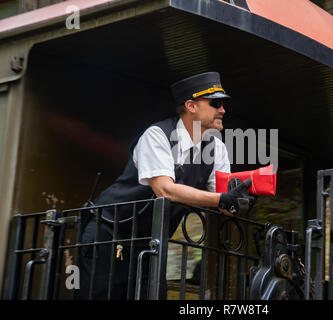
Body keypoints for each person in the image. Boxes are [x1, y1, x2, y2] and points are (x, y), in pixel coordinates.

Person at [75, 72, 254, 300]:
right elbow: (165, 190)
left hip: (151, 242)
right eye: (216, 103)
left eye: (223, 104)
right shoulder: (157, 135)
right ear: (191, 106)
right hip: (109, 233)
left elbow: (223, 197)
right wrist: (221, 199)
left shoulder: (217, 149)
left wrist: (239, 200)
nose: (223, 110)